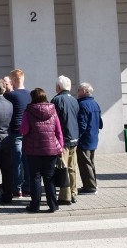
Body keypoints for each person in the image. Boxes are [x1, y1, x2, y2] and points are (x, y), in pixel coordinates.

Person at [21, 87, 64, 213]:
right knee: (49, 177)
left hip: (33, 149)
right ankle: (53, 205)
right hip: (51, 149)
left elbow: (24, 130)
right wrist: (60, 147)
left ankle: (35, 206)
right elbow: (59, 131)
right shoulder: (53, 111)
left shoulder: (28, 111)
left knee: (35, 177)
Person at [51, 75, 80, 205]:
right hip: (74, 137)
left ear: (58, 87)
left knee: (63, 168)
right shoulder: (74, 100)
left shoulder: (57, 100)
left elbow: (53, 121)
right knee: (72, 167)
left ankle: (65, 196)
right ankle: (74, 193)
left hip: (63, 138)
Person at [6, 69, 31, 197]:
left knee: (16, 161)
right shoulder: (30, 94)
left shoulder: (11, 95)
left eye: (11, 80)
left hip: (15, 130)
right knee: (27, 161)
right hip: (28, 132)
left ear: (15, 80)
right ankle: (27, 187)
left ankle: (17, 188)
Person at [77, 82, 103, 195]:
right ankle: (93, 184)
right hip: (93, 137)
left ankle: (90, 187)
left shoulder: (82, 105)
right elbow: (100, 123)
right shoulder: (95, 104)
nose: (77, 92)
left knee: (85, 163)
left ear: (84, 91)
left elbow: (82, 125)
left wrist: (77, 137)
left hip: (84, 139)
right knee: (90, 162)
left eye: (78, 90)